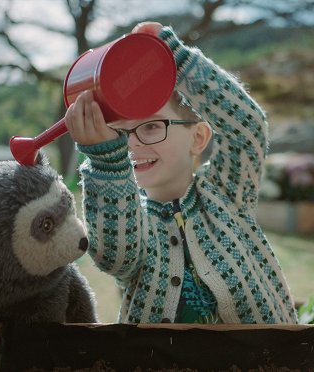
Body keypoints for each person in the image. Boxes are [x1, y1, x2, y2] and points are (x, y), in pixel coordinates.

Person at [65, 21, 297, 324]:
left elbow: (247, 127)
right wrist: (106, 163)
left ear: (198, 138)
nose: (133, 143)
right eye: (120, 133)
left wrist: (177, 57)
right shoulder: (136, 223)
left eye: (150, 126)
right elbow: (114, 257)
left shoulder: (225, 193)